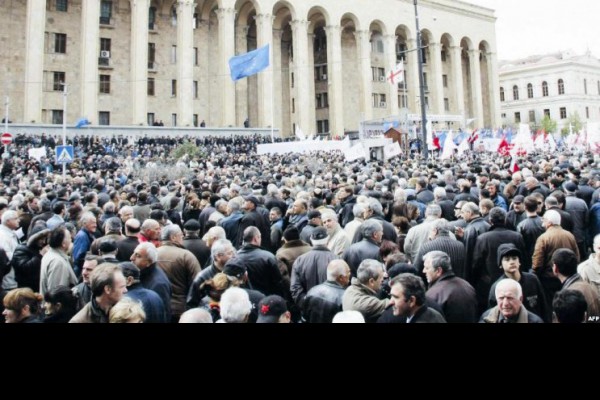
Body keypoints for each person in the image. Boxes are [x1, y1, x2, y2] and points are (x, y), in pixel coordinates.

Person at [488, 243, 549, 322]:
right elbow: (492, 315)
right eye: (507, 259)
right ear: (500, 265)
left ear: (519, 262)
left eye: (514, 258)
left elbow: (544, 307)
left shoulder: (532, 280)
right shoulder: (497, 287)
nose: (512, 262)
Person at [422, 251, 478, 323]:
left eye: (427, 268)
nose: (423, 271)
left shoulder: (433, 294)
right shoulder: (467, 285)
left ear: (439, 271)